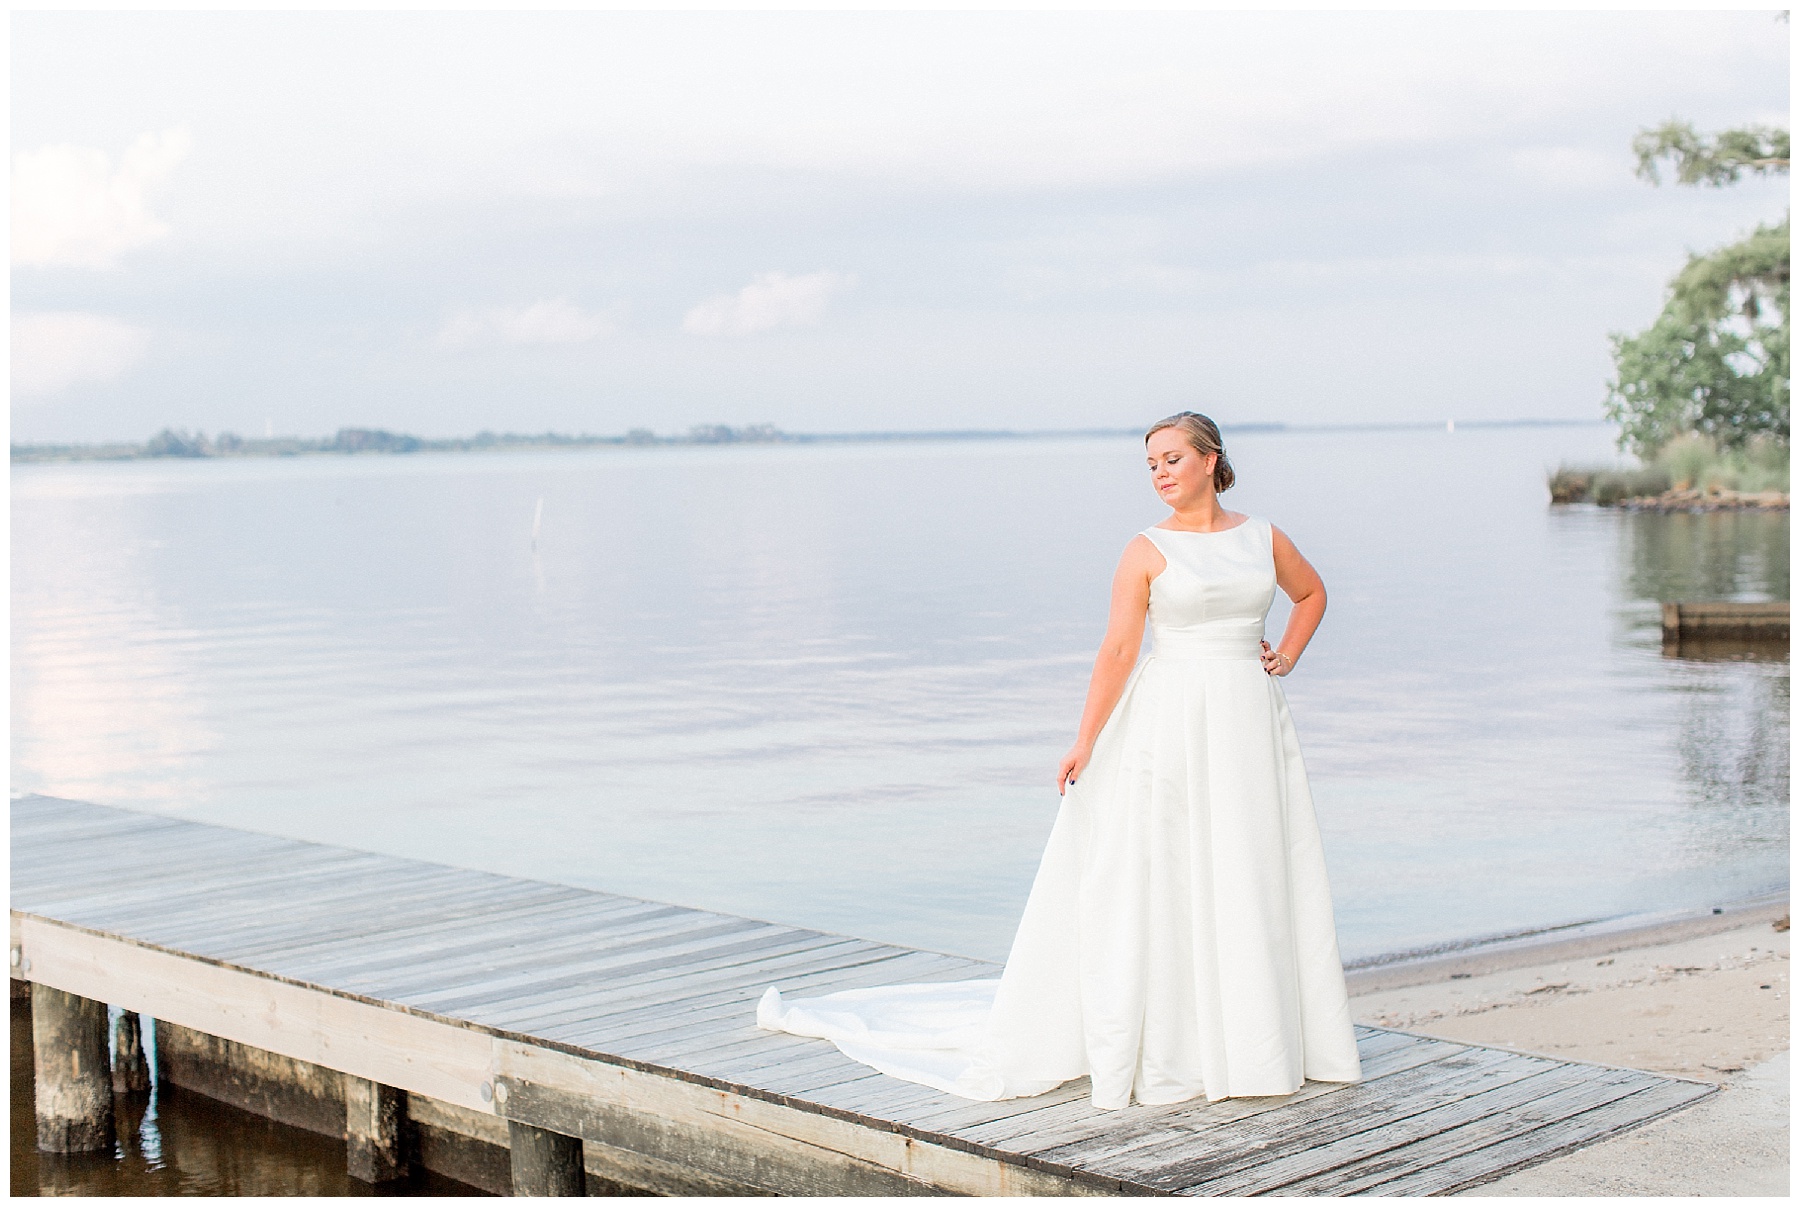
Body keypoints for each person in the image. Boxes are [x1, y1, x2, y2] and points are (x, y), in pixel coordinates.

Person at [758, 412, 1362, 1110]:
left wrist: (1285, 654)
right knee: (1168, 870)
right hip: (1169, 722)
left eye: (1171, 458)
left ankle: (1256, 1036)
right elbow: (1117, 651)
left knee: (1247, 864)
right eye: (1151, 463)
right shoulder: (1145, 549)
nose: (1160, 472)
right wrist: (1086, 741)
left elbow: (1312, 593)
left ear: (1210, 459)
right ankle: (1181, 1040)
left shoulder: (1263, 536)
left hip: (1248, 722)